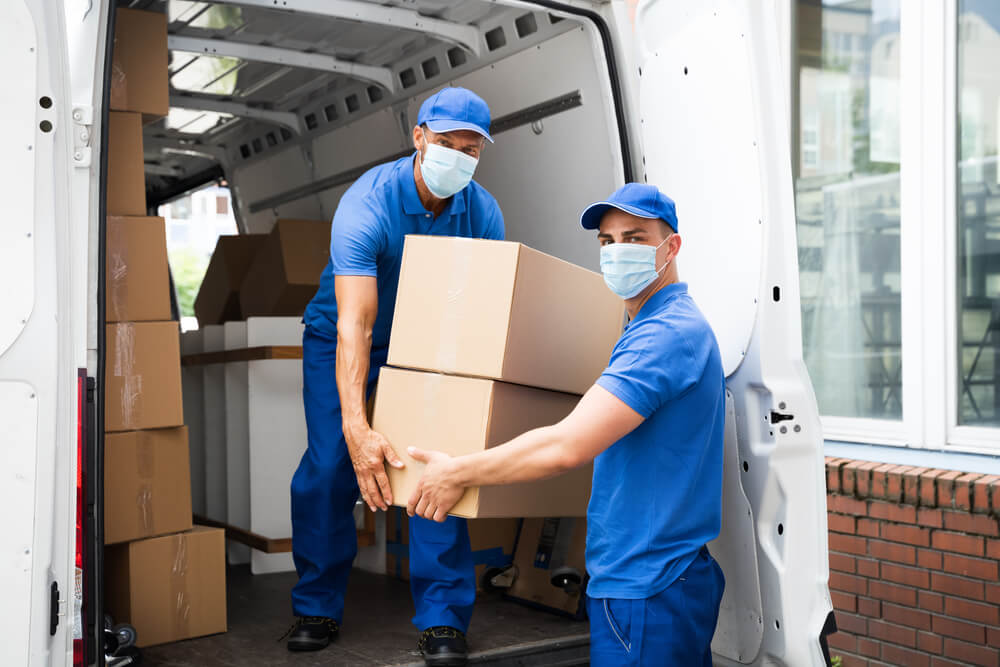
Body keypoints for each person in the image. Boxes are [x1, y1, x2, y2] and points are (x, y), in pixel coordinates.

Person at [405, 183, 727, 666]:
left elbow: (567, 446)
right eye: (607, 241)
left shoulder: (664, 335)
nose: (617, 251)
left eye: (635, 238)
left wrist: (456, 473)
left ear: (671, 246)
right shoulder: (646, 326)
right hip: (661, 578)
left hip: (647, 584)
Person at [288, 87, 504, 666]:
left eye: (470, 149)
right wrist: (359, 428)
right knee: (334, 461)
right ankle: (316, 604)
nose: (457, 156)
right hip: (343, 335)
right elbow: (357, 325)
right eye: (445, 143)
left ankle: (442, 620)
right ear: (418, 138)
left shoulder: (481, 213)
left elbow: (476, 312)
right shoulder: (369, 204)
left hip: (420, 343)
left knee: (434, 465)